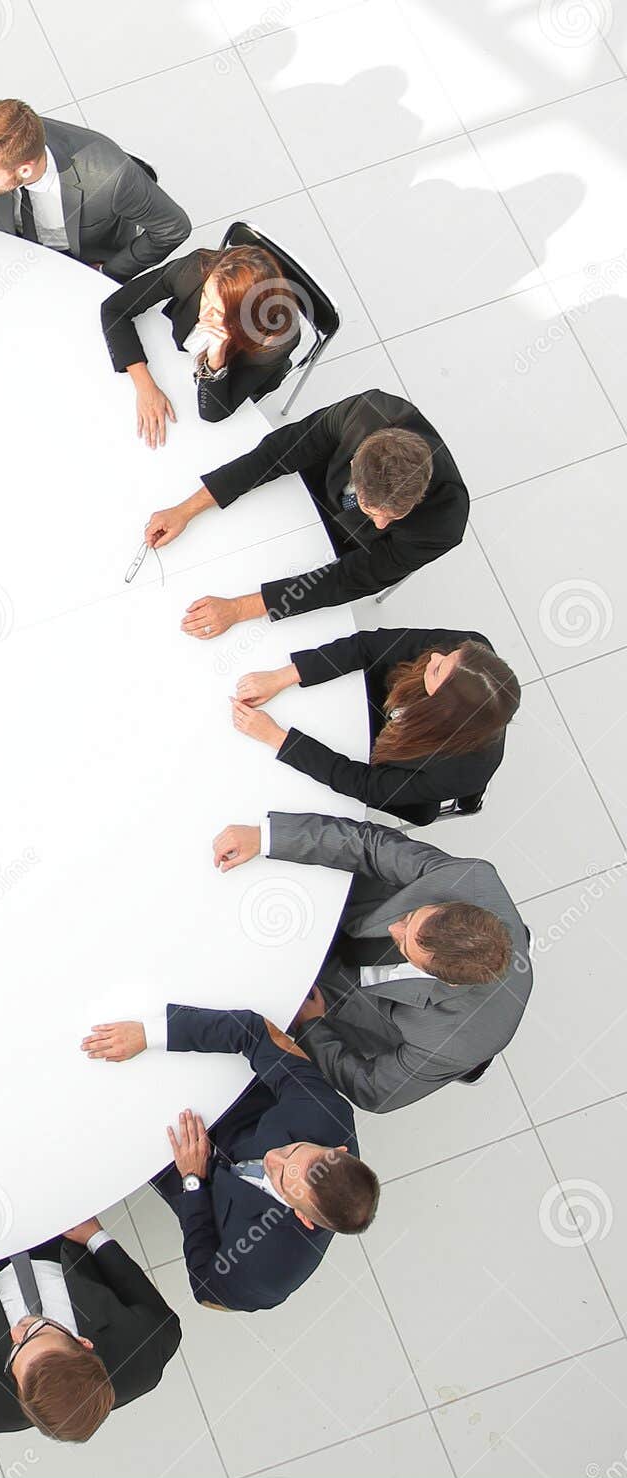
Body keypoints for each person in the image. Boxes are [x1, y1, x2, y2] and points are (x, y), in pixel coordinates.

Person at [211, 812, 532, 1112]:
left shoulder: (449, 1043)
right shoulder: (470, 879)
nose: (395, 928)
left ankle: (465, 1071)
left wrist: (314, 1028)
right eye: (410, 917)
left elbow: (373, 1090)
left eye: (405, 942)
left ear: (446, 980)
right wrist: (267, 837)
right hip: (349, 915)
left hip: (357, 1003)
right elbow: (370, 845)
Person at [80, 1006, 379, 1312]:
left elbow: (207, 1290)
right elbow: (256, 1032)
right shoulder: (327, 1116)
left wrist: (193, 1182)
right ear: (336, 1152)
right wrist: (150, 1034)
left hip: (185, 1176)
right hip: (222, 1100)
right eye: (292, 1150)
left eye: (280, 1178)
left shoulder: (270, 1270)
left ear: (304, 1217)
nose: (272, 1159)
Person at [144, 390, 468, 639]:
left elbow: (348, 579)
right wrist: (187, 509)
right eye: (374, 510)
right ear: (356, 463)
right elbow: (280, 451)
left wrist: (238, 608)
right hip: (310, 488)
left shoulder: (444, 523)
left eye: (393, 516)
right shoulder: (366, 413)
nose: (381, 524)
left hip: (351, 548)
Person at [0, 99, 190, 362]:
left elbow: (173, 228)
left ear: (25, 169)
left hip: (81, 258)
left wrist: (109, 272)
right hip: (5, 251)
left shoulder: (111, 177)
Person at [233, 628, 521, 825]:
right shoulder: (468, 651)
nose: (435, 656)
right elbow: (369, 646)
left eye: (437, 670)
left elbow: (365, 785)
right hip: (382, 697)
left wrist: (278, 738)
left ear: (443, 708)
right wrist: (284, 676)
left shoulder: (460, 772)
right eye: (449, 655)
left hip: (394, 764)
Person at [0, 1219, 180, 1439]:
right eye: (38, 1332)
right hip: (56, 1242)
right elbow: (156, 1313)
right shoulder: (146, 1351)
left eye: (14, 1353)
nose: (16, 1333)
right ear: (83, 1343)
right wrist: (95, 1237)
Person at [100, 246, 302, 446]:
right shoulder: (195, 269)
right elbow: (114, 308)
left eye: (218, 312)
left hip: (235, 375)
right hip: (172, 357)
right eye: (206, 297)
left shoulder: (275, 344)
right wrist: (145, 386)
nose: (203, 314)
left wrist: (216, 361)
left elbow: (214, 412)